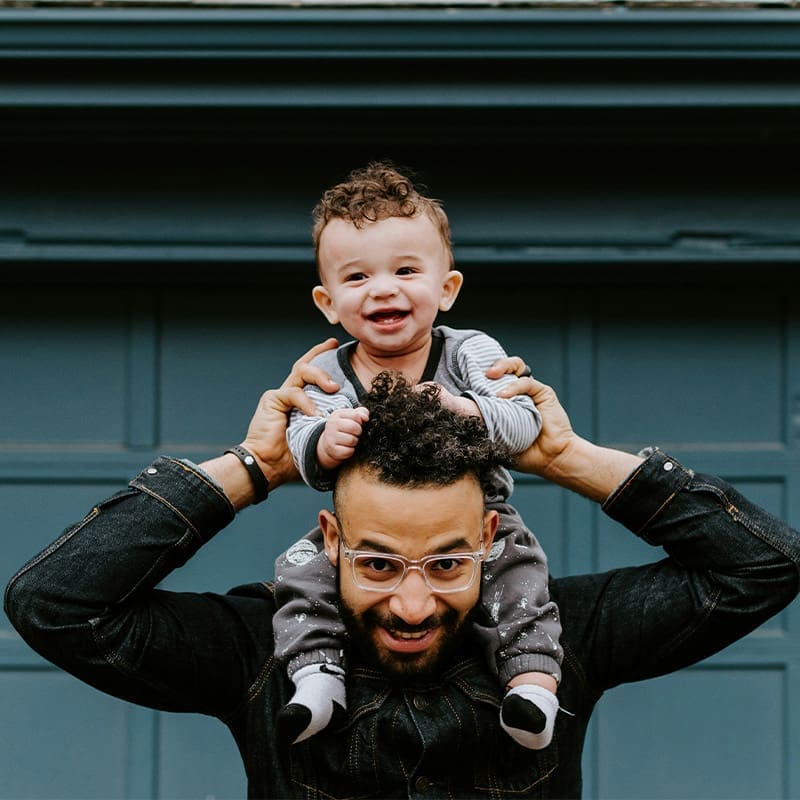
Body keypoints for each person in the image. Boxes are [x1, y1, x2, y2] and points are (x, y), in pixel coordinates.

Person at [4, 339, 800, 799]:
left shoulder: (561, 637)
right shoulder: (258, 650)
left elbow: (762, 567)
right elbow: (56, 603)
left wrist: (567, 457)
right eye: (380, 564)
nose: (413, 604)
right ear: (332, 539)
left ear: (492, 534)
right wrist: (255, 467)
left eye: (449, 562)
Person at [275, 161, 562, 749]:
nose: (383, 288)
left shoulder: (468, 352)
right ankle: (316, 677)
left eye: (406, 270)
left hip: (480, 515)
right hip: (366, 531)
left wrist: (469, 411)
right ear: (328, 303)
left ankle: (531, 685)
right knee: (300, 572)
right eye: (357, 278)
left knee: (521, 575)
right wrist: (322, 442)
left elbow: (523, 421)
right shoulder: (327, 370)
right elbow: (301, 446)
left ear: (447, 289)